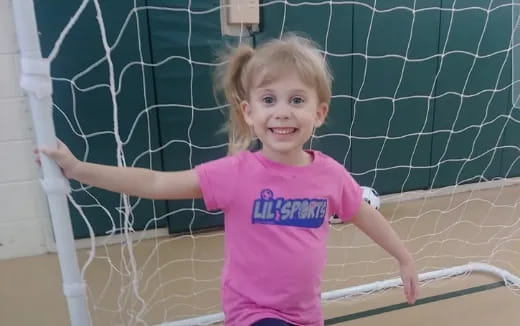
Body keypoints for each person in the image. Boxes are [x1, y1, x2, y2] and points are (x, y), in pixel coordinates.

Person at [36, 34, 419, 326]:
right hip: (252, 311)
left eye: (296, 101)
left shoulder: (331, 175)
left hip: (305, 313)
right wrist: (79, 168)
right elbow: (156, 183)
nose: (282, 112)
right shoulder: (236, 174)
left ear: (319, 113)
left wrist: (404, 258)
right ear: (249, 112)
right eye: (269, 100)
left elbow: (364, 214)